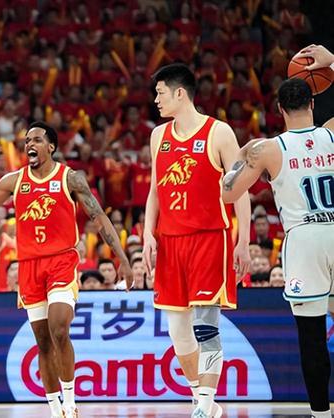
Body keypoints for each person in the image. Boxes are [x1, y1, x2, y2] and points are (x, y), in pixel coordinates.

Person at [0, 121, 133, 418]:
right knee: (43, 341)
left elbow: (99, 217)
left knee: (59, 329)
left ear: (50, 146)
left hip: (61, 261)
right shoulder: (14, 181)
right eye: (27, 140)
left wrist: (123, 260)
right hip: (29, 266)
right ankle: (55, 409)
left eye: (37, 139)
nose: (30, 144)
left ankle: (70, 402)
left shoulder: (70, 178)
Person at [141, 63, 251, 418]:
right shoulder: (158, 136)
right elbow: (155, 191)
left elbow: (241, 190)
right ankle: (203, 400)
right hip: (170, 242)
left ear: (179, 93)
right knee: (178, 333)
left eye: (160, 93)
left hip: (209, 238)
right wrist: (147, 234)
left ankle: (203, 404)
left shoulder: (219, 133)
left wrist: (243, 241)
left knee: (205, 326)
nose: (156, 100)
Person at [221, 73, 334, 418]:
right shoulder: (332, 132)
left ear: (280, 109)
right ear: (312, 103)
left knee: (312, 337)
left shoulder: (268, 149)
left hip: (304, 239)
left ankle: (320, 414)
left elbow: (228, 193)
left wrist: (241, 155)